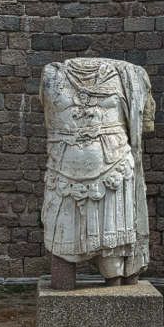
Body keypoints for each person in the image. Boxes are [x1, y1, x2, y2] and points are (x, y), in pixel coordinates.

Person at [39, 58, 155, 287]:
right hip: (64, 171)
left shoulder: (130, 75)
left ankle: (114, 281)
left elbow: (146, 125)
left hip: (113, 170)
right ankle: (98, 281)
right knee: (63, 244)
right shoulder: (52, 76)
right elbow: (146, 126)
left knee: (113, 256)